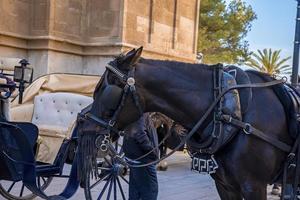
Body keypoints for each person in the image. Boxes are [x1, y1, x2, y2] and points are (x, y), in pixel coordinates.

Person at [123, 113, 159, 200]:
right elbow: (139, 133)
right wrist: (153, 153)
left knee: (135, 192)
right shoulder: (140, 113)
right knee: (150, 192)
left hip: (135, 159)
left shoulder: (132, 112)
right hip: (143, 161)